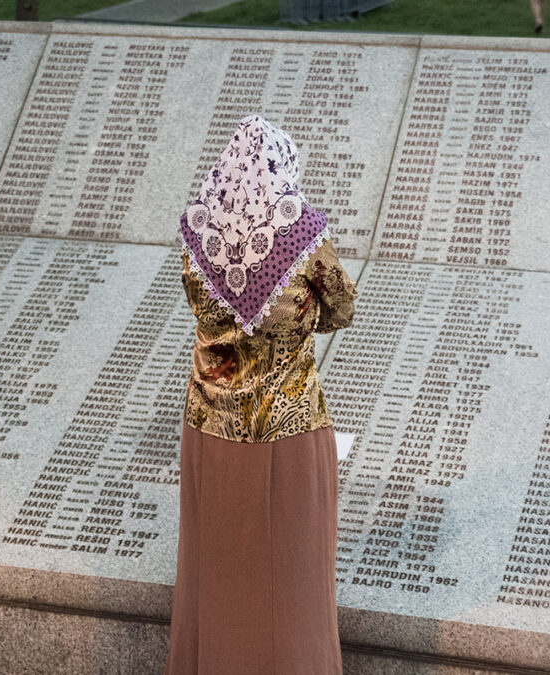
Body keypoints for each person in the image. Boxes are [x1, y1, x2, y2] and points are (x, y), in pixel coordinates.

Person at [163, 115, 357, 674]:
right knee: (293, 583)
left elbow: (203, 308)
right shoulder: (301, 239)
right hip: (290, 429)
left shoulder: (197, 236)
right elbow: (343, 307)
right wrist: (303, 314)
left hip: (210, 429)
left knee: (216, 576)